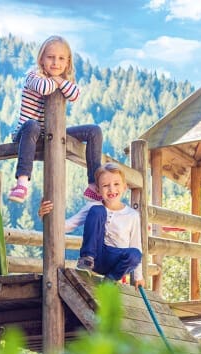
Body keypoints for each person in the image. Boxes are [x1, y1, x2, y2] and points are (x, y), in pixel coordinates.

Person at [8, 35, 102, 203]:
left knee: (94, 131)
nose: (55, 63)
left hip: (50, 134)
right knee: (33, 125)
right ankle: (22, 183)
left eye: (61, 59)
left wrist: (59, 80)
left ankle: (93, 185)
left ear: (67, 62)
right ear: (41, 59)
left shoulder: (62, 82)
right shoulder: (32, 76)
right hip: (27, 133)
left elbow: (75, 94)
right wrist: (59, 80)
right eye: (50, 57)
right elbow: (45, 88)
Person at [39, 163, 145, 290]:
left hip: (115, 261)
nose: (111, 189)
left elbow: (136, 244)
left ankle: (110, 280)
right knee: (97, 210)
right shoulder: (93, 207)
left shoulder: (132, 215)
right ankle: (86, 261)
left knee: (136, 254)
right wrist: (45, 216)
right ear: (98, 190)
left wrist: (138, 277)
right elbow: (67, 226)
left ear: (124, 187)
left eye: (116, 184)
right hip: (95, 256)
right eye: (105, 185)